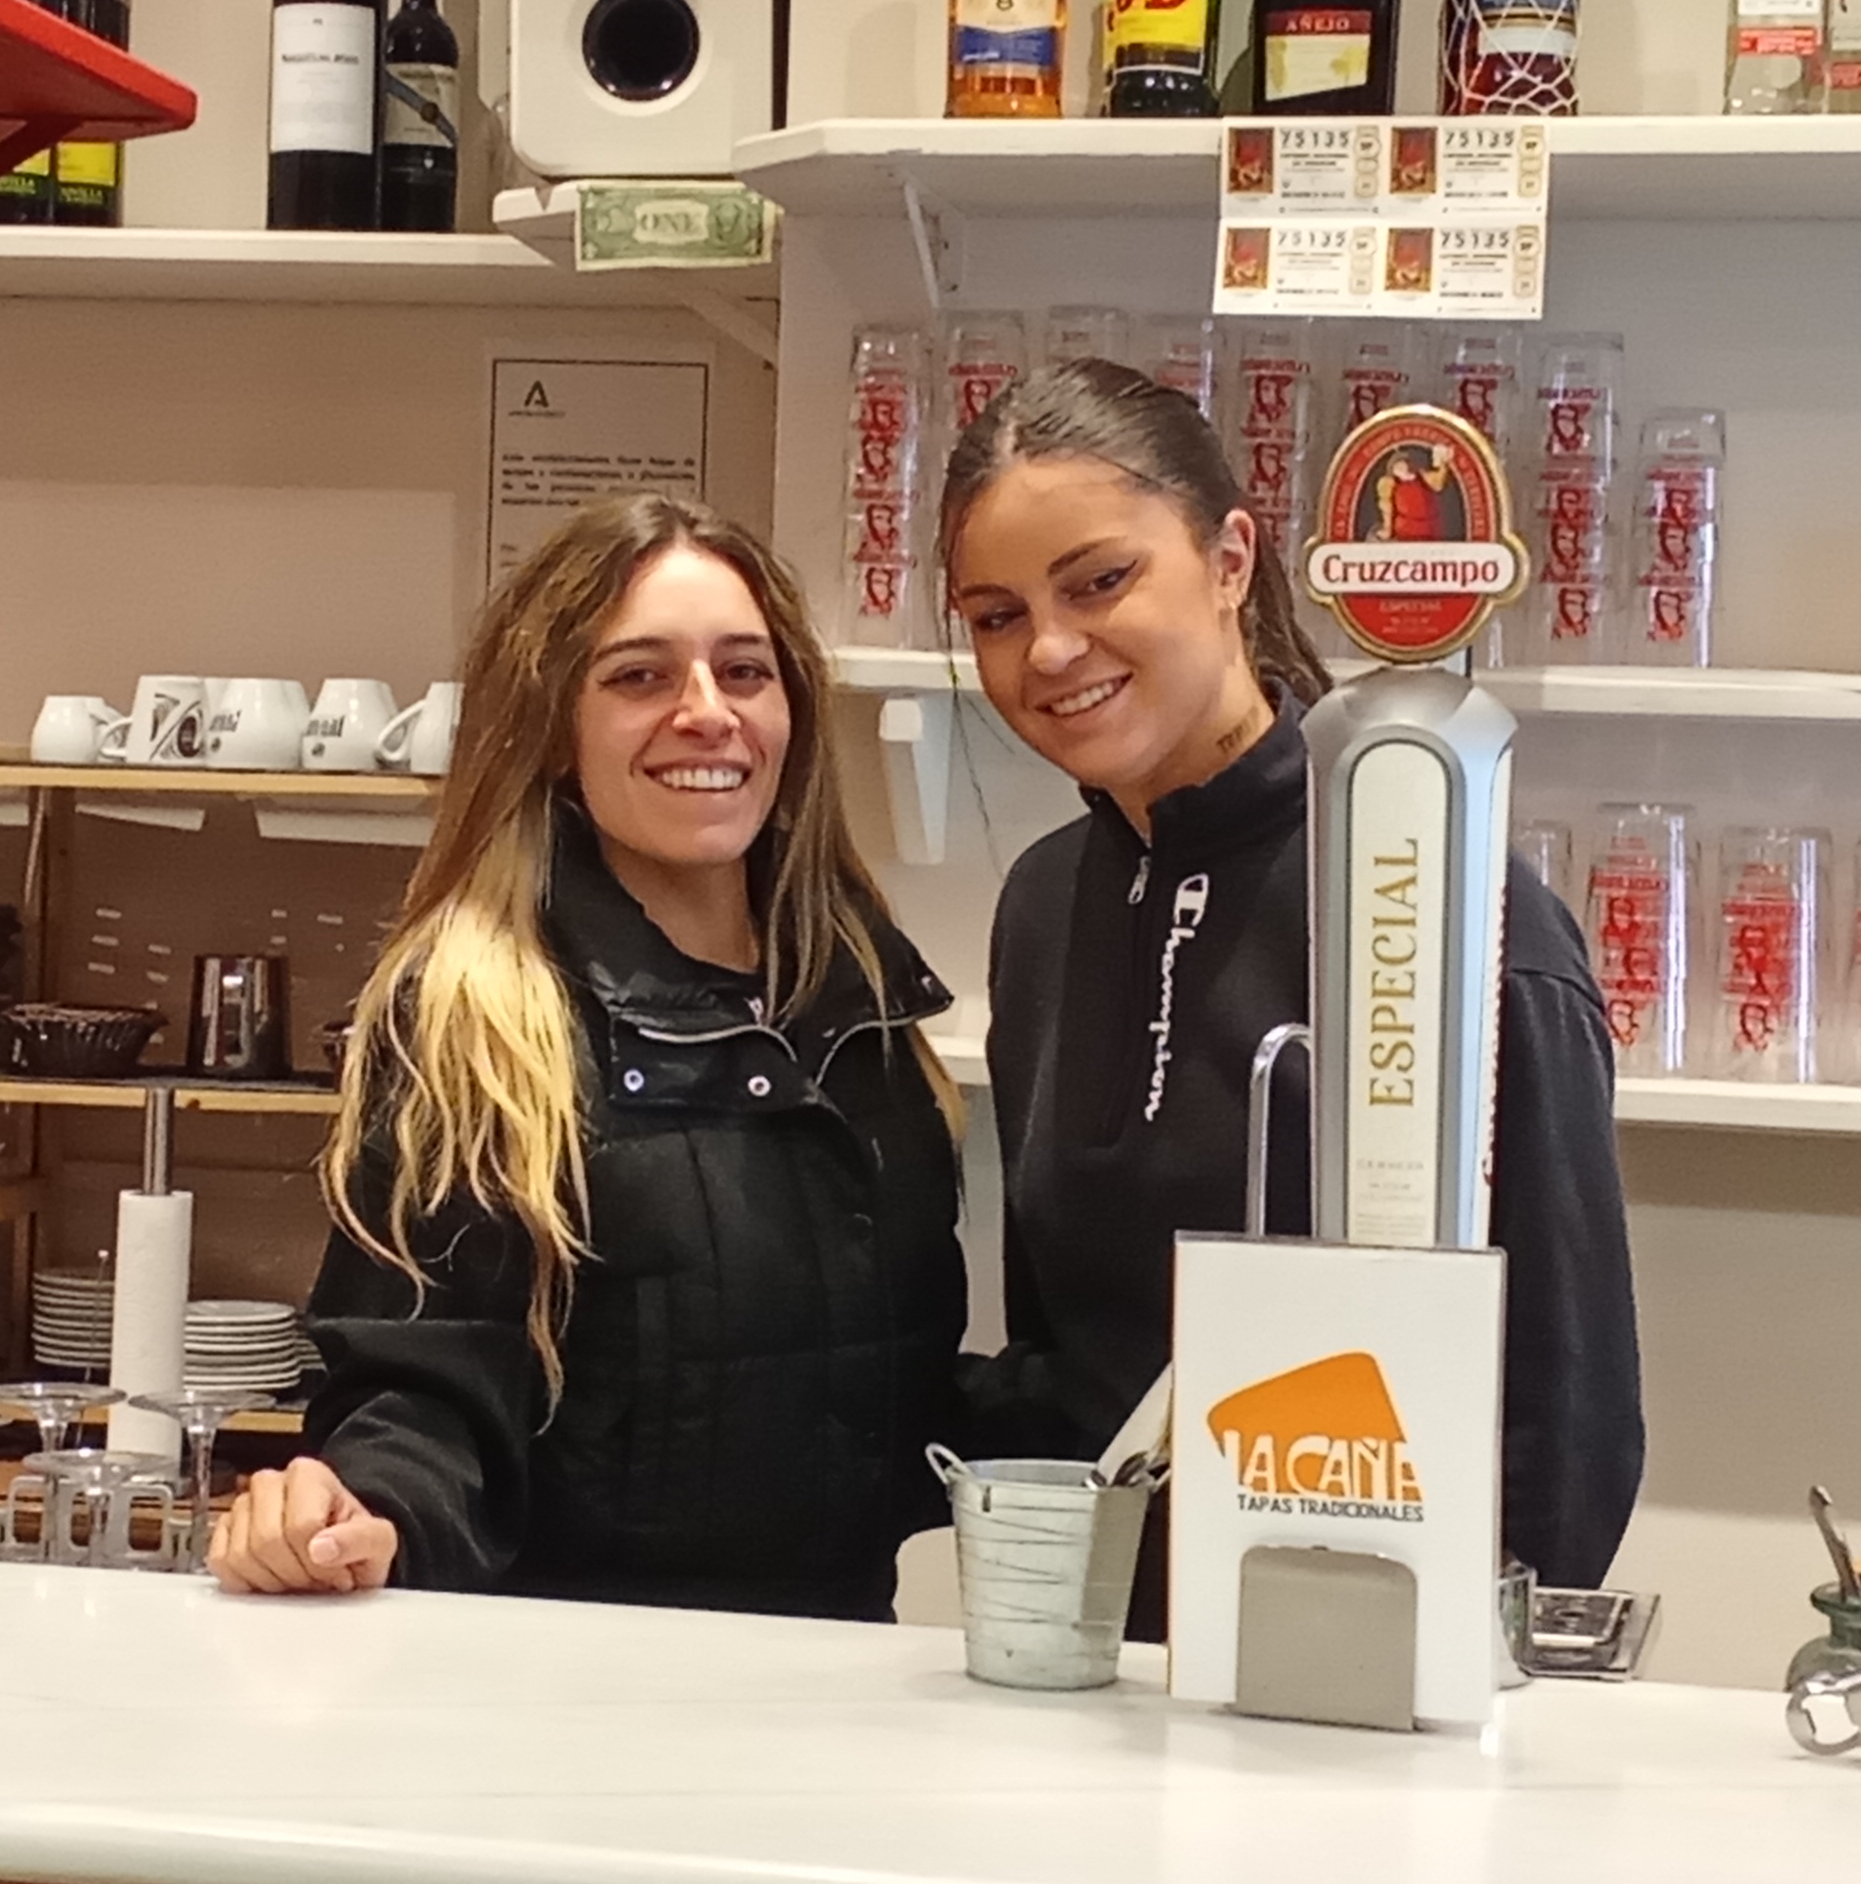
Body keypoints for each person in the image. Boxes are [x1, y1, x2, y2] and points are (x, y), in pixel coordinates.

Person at [941, 360, 1643, 1600]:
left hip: (1358, 1684)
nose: (1050, 649)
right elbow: (1067, 1369)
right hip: (1097, 1669)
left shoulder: (1436, 898)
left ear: (1230, 561)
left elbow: (1568, 1434)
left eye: (1101, 581)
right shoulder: (1046, 904)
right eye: (996, 615)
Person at [208, 495, 963, 1620]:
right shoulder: (480, 1009)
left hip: (843, 1664)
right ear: (551, 726)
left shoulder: (856, 986)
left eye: (745, 672)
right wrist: (363, 1509)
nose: (708, 714)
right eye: (641, 678)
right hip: (571, 1684)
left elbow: (888, 1374)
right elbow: (423, 1382)